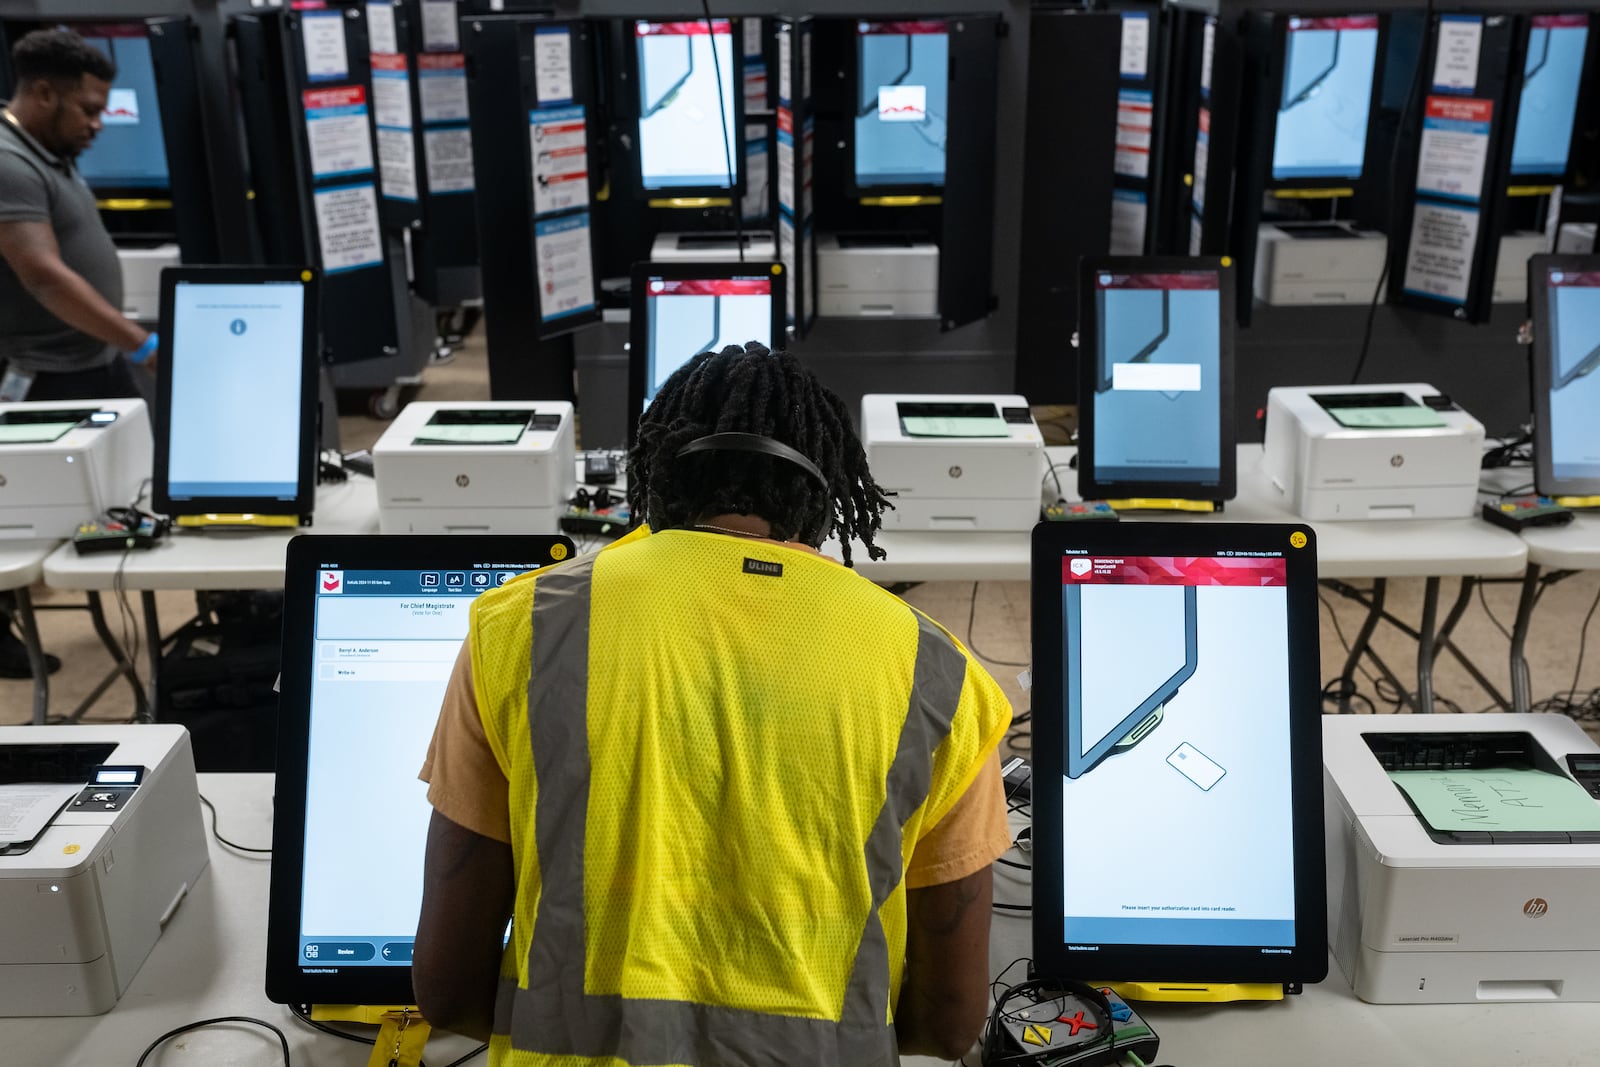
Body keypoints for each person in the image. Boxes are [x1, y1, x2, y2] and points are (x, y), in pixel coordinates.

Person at [415, 343, 1014, 1065]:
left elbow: (448, 990)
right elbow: (951, 1024)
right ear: (827, 499)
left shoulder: (520, 629)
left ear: (654, 476)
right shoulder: (939, 676)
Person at [0, 28, 159, 678]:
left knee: (135, 493)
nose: (99, 123)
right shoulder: (8, 160)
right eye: (89, 109)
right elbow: (40, 272)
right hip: (45, 377)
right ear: (42, 93)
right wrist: (139, 340)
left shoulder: (47, 152)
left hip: (91, 364)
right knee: (28, 526)